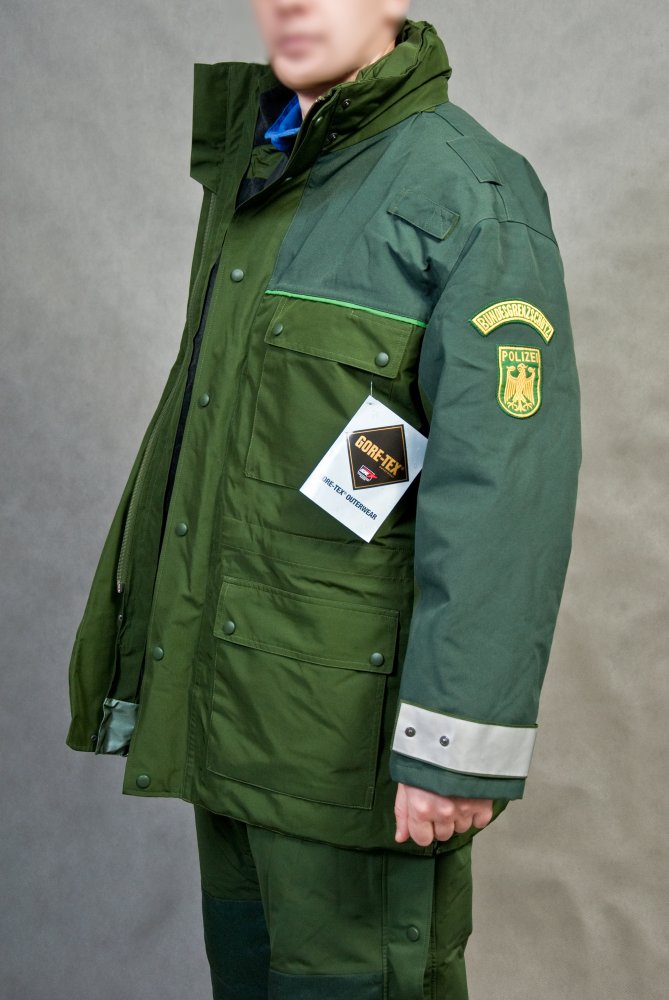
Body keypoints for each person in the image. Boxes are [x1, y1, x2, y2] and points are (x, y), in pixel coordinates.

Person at [65, 2, 582, 997]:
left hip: (350, 753)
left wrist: (453, 746)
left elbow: (506, 488)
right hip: (229, 717)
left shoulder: (470, 194)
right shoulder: (267, 169)